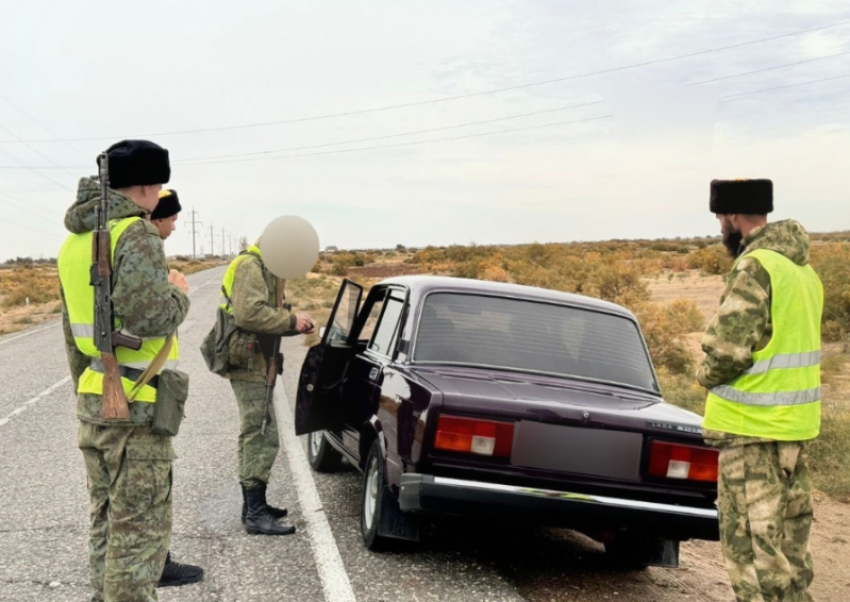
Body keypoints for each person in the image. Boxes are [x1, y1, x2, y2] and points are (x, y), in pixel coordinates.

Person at [57, 139, 191, 602]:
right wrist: (177, 292)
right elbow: (150, 316)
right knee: (138, 536)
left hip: (96, 399)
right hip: (135, 405)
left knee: (105, 521)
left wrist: (90, 394)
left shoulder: (74, 241)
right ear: (149, 187)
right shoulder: (134, 232)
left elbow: (72, 338)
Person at [698, 178, 823, 602]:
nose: (719, 225)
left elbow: (727, 350)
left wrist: (703, 373)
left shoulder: (756, 266)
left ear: (732, 216)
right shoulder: (802, 271)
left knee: (754, 560)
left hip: (752, 435)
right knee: (790, 559)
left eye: (719, 216)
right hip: (795, 431)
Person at [220, 240, 315, 535]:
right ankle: (255, 514)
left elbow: (261, 316)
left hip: (256, 357)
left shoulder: (264, 266)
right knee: (260, 433)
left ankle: (252, 507)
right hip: (249, 360)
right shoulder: (251, 266)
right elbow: (249, 315)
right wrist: (290, 319)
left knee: (257, 431)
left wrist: (293, 325)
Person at [147, 188, 205, 589]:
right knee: (152, 484)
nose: (175, 224)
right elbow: (157, 318)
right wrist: (179, 294)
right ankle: (156, 564)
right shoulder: (143, 253)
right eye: (171, 218)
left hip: (132, 383)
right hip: (144, 388)